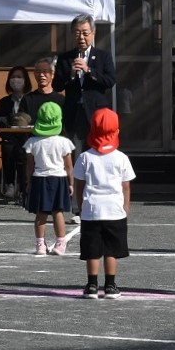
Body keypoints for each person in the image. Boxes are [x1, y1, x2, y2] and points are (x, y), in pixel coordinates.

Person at [72, 108, 135, 299]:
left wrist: (81, 206)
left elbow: (79, 185)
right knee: (111, 250)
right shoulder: (121, 158)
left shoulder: (85, 157)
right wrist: (126, 207)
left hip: (91, 210)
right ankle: (110, 285)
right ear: (116, 132)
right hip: (114, 210)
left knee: (92, 251)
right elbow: (125, 187)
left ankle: (91, 285)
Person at [52, 14, 117, 146]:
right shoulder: (65, 58)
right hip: (73, 110)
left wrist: (88, 70)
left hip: (95, 110)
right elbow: (57, 86)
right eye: (77, 33)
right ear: (72, 35)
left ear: (93, 33)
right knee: (72, 149)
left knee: (95, 147)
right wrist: (70, 75)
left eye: (85, 33)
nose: (81, 37)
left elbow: (110, 81)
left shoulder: (103, 56)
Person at [23, 103, 75, 256]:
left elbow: (29, 166)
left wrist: (28, 182)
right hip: (59, 179)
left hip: (39, 179)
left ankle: (40, 245)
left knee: (41, 213)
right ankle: (60, 243)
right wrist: (70, 183)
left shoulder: (32, 142)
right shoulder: (64, 142)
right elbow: (69, 166)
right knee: (58, 212)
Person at [0, 66, 32, 199]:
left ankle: (24, 187)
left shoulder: (30, 99)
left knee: (23, 150)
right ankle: (10, 184)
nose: (15, 80)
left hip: (27, 137)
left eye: (19, 77)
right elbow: (0, 121)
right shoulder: (4, 102)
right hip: (10, 137)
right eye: (13, 77)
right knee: (8, 147)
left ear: (25, 80)